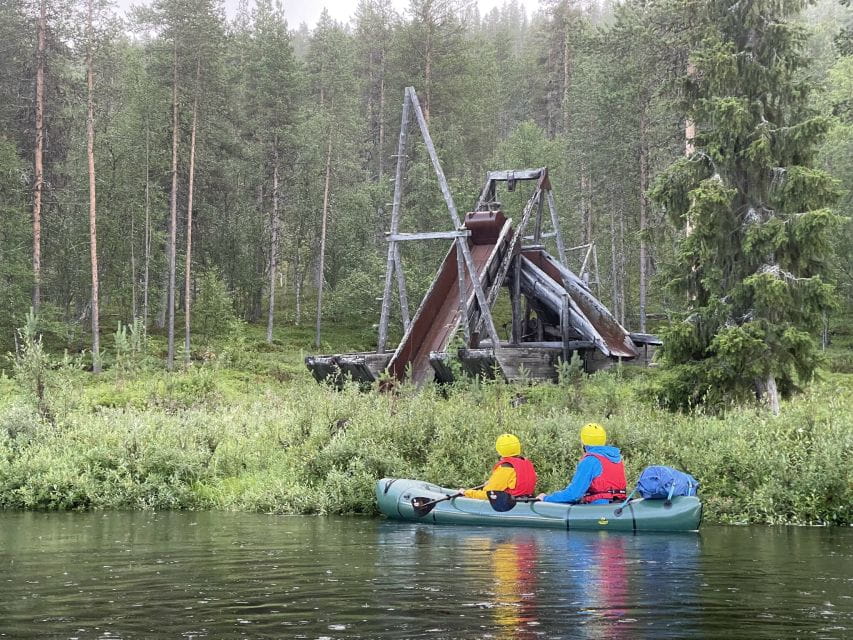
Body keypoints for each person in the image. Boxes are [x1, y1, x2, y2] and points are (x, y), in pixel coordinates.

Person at [536, 423, 627, 504]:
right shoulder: (617, 459)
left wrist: (546, 498)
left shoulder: (590, 461)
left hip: (599, 510)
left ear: (584, 441)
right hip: (617, 506)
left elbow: (574, 494)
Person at [460, 433, 537, 500]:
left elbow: (487, 494)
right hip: (526, 500)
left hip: (510, 505)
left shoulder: (506, 467)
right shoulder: (527, 463)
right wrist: (491, 483)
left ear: (499, 449)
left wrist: (466, 492)